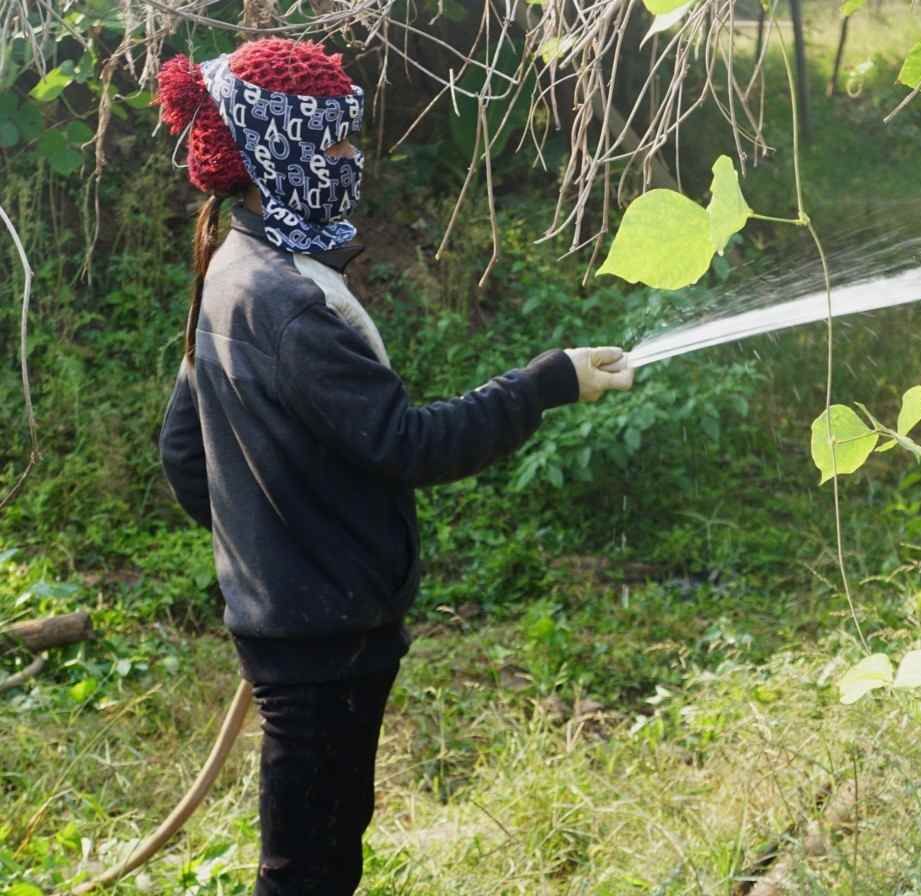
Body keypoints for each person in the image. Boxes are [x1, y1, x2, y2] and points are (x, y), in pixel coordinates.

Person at [154, 38, 633, 896]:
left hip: (295, 625)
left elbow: (183, 453)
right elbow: (410, 444)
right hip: (326, 637)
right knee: (311, 865)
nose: (350, 160)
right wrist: (544, 384)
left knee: (322, 837)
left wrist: (263, 556)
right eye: (332, 143)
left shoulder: (234, 266)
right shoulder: (293, 306)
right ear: (279, 151)